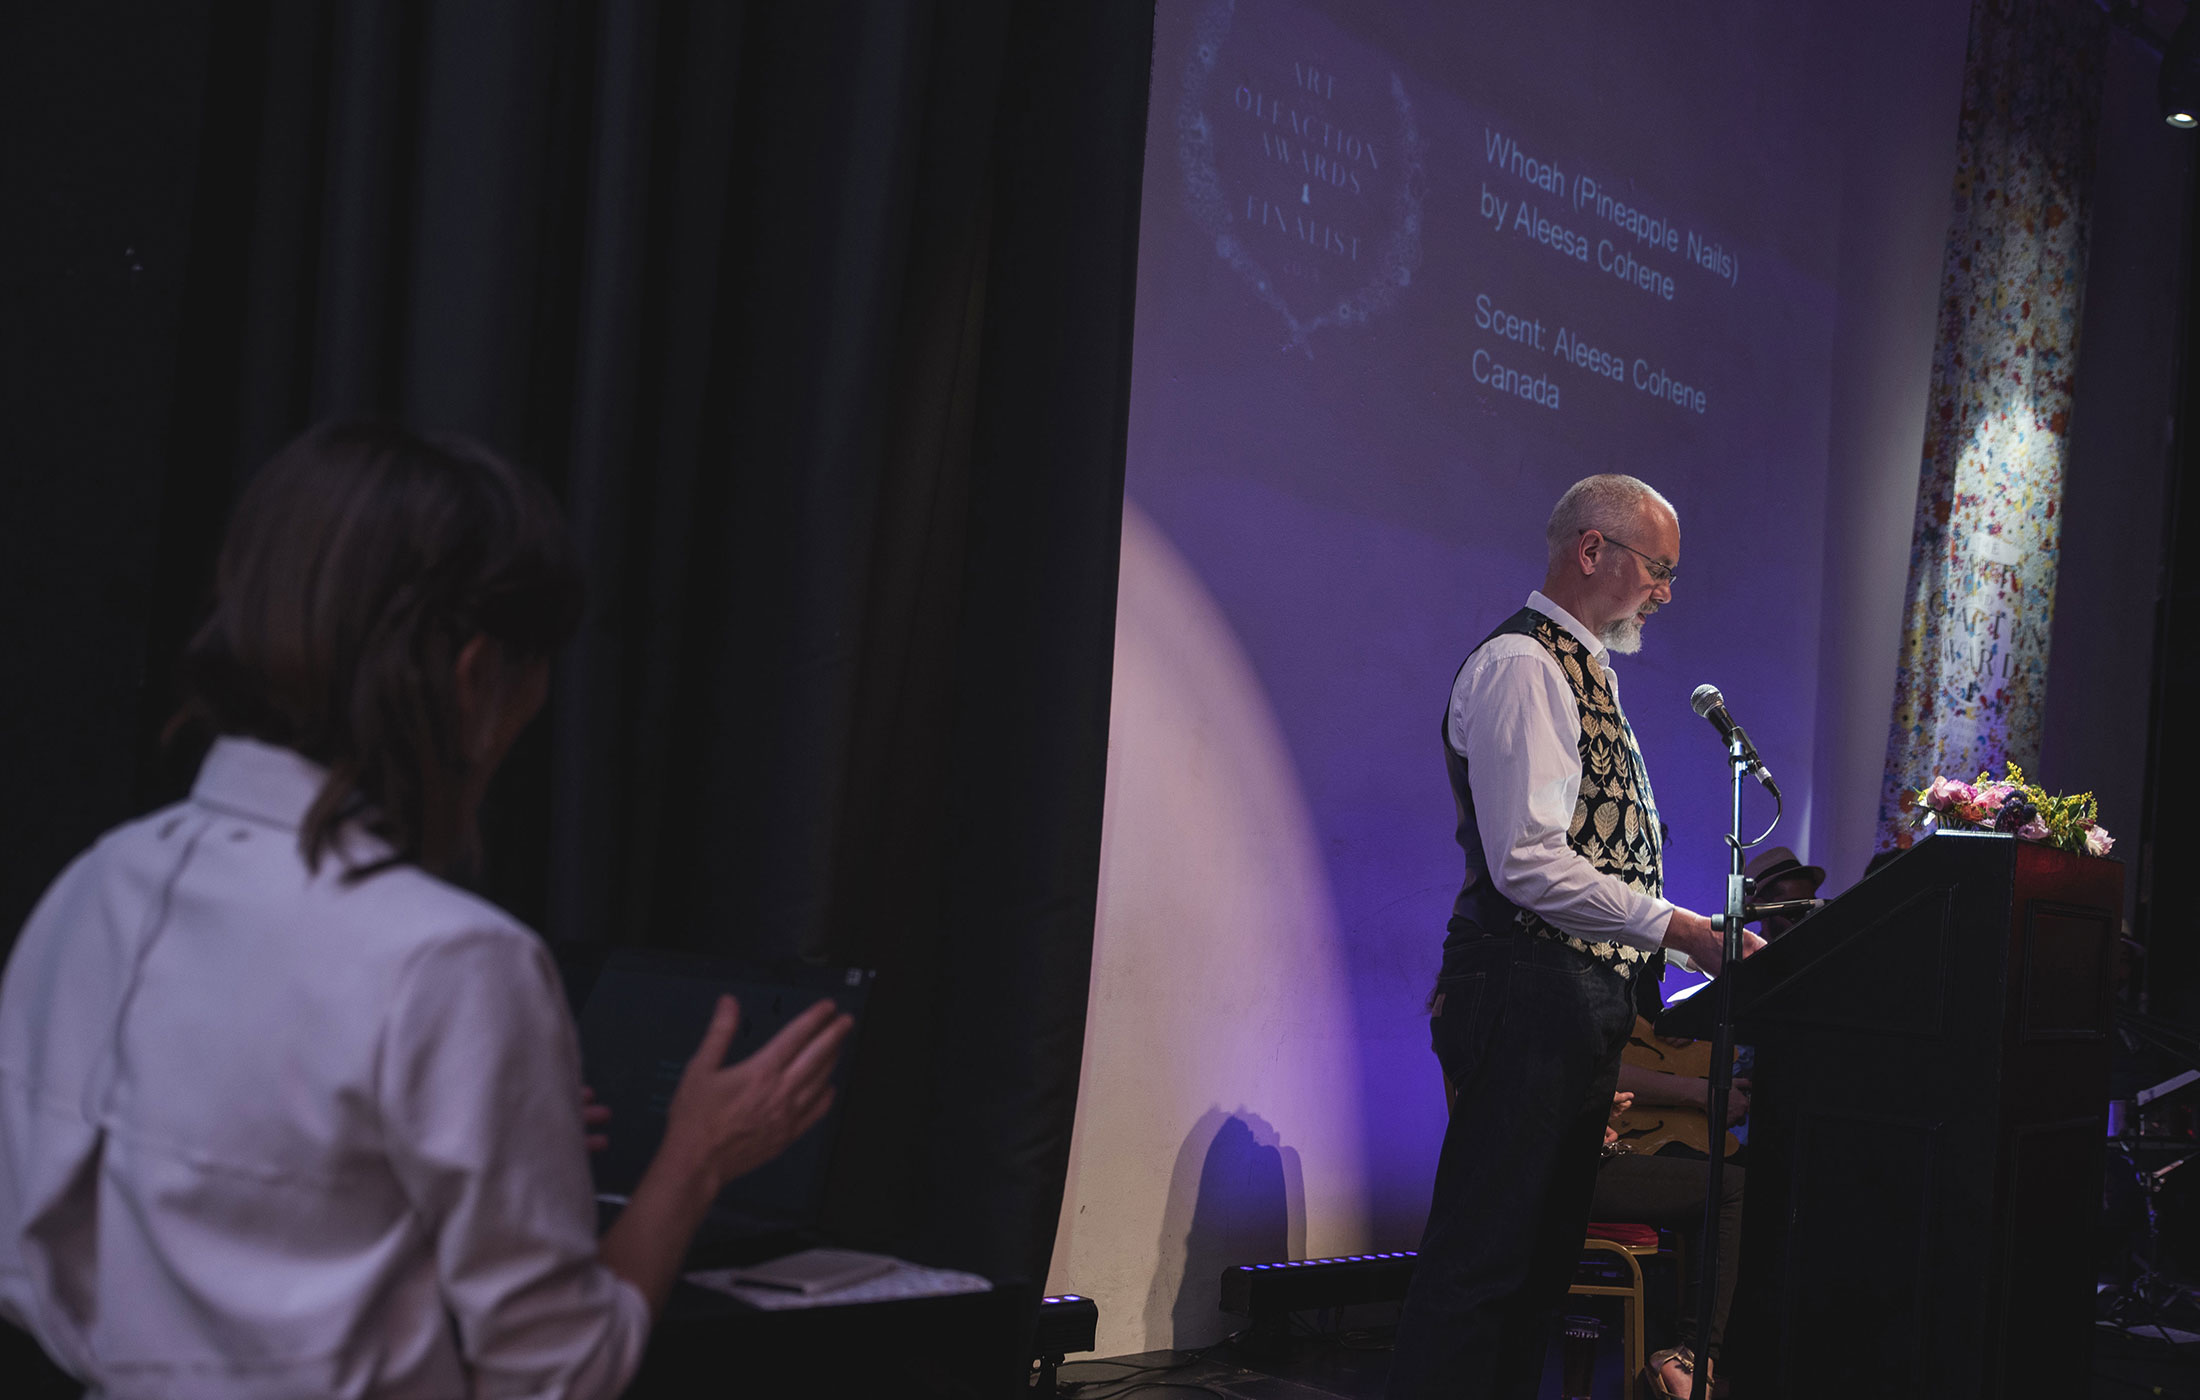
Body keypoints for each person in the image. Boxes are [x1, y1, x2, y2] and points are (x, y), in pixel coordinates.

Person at [0, 422, 854, 1399]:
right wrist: (695, 1157)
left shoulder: (97, 883)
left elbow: (50, 1258)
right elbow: (558, 1373)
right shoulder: (450, 960)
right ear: (476, 676)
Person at [1387, 474, 1763, 1399]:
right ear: (1593, 550)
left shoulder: (1585, 668)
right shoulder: (1525, 665)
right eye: (1658, 568)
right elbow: (1528, 864)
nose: (1665, 592)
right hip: (1523, 990)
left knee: (1533, 1268)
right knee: (1486, 1261)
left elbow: (1599, 862)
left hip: (1570, 1002)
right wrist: (1680, 927)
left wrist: (1684, 945)